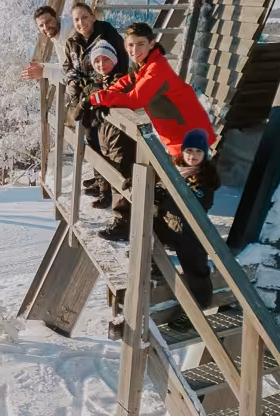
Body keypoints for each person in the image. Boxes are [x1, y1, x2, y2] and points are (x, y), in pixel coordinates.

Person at [87, 21, 215, 240]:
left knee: (184, 201)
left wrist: (99, 98)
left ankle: (182, 252)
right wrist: (103, 94)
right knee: (170, 196)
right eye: (130, 45)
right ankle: (162, 247)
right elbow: (127, 82)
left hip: (189, 140)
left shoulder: (157, 68)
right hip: (176, 138)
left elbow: (136, 99)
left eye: (140, 44)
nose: (134, 50)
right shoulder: (144, 64)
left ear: (151, 44)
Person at [155, 128, 221, 309]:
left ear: (205, 155)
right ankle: (154, 268)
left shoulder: (205, 179)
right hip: (168, 224)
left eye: (198, 151)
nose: (193, 156)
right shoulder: (174, 170)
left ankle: (200, 306)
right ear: (183, 151)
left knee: (195, 268)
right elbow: (160, 187)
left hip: (189, 230)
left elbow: (195, 203)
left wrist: (166, 194)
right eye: (189, 150)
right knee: (147, 232)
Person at [71, 40, 135, 213]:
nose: (102, 64)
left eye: (106, 59)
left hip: (121, 136)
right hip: (102, 133)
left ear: (114, 60)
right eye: (97, 61)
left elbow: (118, 96)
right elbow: (76, 114)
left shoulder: (122, 80)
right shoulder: (93, 85)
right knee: (106, 166)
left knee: (120, 173)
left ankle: (122, 220)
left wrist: (93, 100)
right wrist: (84, 101)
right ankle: (106, 196)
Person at [62, 4, 128, 108]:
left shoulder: (108, 36)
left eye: (84, 17)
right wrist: (72, 81)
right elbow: (68, 66)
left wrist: (102, 86)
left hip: (106, 96)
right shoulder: (72, 43)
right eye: (76, 20)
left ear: (93, 17)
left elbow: (121, 64)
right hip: (82, 97)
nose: (81, 23)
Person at [20, 5, 71, 83]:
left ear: (56, 17)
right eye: (41, 25)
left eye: (48, 21)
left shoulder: (70, 33)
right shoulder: (58, 36)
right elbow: (65, 67)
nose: (46, 27)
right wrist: (44, 66)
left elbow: (75, 73)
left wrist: (44, 72)